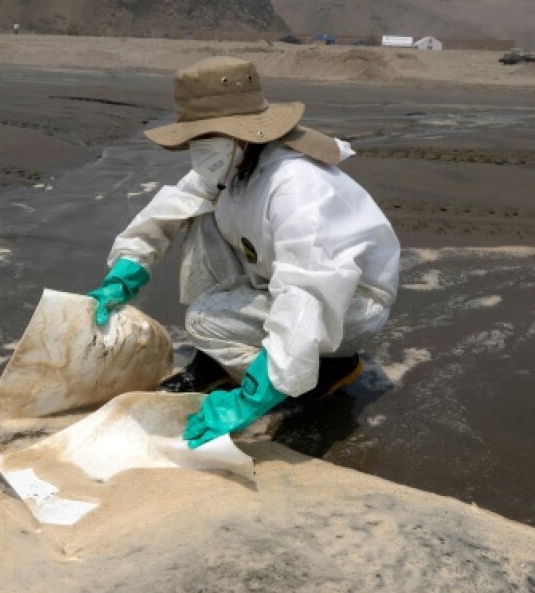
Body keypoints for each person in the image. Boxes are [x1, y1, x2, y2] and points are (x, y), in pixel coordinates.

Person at [87, 56, 400, 448]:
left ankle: (323, 373)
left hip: (348, 304)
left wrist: (252, 396)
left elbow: (311, 292)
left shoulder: (298, 187)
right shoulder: (234, 165)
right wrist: (127, 269)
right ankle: (225, 360)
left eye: (204, 138)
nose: (196, 150)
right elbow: (167, 212)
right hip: (282, 281)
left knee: (204, 319)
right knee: (199, 217)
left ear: (239, 134)